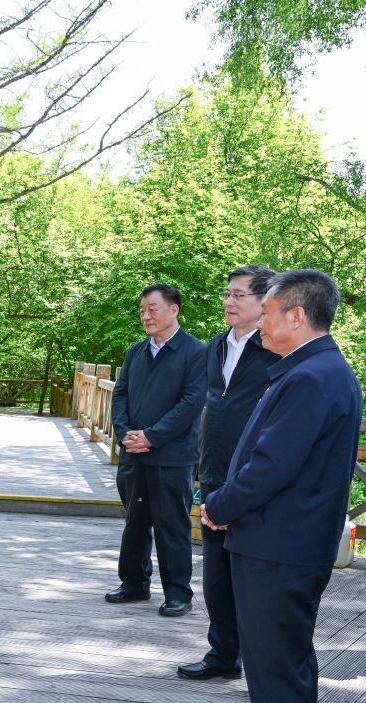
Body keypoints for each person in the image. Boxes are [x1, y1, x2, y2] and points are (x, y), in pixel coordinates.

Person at [203, 269, 362, 702]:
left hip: (280, 546)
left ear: (296, 317)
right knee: (278, 663)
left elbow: (272, 466)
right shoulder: (314, 369)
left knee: (276, 672)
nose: (260, 324)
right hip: (281, 543)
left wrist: (218, 506)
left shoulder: (312, 376)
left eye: (267, 313)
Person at [177, 265, 278, 682]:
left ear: (264, 303)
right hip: (215, 474)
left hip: (257, 480)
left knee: (253, 580)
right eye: (227, 294)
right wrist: (203, 470)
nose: (229, 302)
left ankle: (265, 668)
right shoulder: (217, 345)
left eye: (239, 295)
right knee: (216, 575)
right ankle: (223, 656)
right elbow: (211, 408)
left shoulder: (277, 349)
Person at [107, 283, 207, 617]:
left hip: (173, 456)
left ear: (174, 310)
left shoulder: (195, 352)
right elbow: (119, 394)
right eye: (142, 310)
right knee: (135, 520)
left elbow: (192, 403)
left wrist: (152, 435)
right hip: (133, 453)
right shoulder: (136, 351)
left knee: (172, 524)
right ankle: (134, 583)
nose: (146, 316)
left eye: (153, 309)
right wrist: (125, 434)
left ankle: (178, 593)